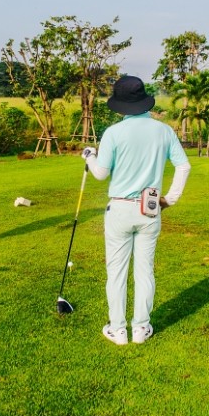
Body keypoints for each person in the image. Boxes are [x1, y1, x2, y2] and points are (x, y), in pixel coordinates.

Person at [82, 75, 190, 346]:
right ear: (144, 101)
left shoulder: (113, 133)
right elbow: (184, 166)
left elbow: (100, 174)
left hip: (119, 208)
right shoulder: (163, 130)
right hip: (150, 207)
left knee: (116, 271)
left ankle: (118, 330)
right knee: (145, 270)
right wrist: (170, 199)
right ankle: (141, 328)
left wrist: (89, 156)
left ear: (120, 105)